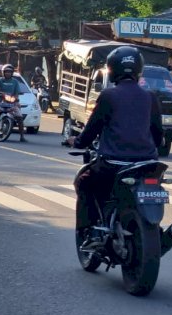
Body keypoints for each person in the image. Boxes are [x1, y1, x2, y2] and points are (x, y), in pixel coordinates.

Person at [66, 46, 163, 234]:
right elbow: (158, 134)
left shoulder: (108, 96)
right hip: (147, 164)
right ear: (139, 70)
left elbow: (92, 129)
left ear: (111, 70)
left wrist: (77, 142)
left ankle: (90, 232)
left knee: (84, 183)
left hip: (113, 164)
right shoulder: (150, 97)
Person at [0, 64, 26, 141]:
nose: (7, 73)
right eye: (6, 72)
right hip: (0, 100)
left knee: (20, 117)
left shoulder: (15, 82)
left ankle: (22, 136)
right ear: (3, 72)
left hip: (12, 102)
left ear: (12, 73)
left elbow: (17, 92)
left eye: (9, 72)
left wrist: (16, 98)